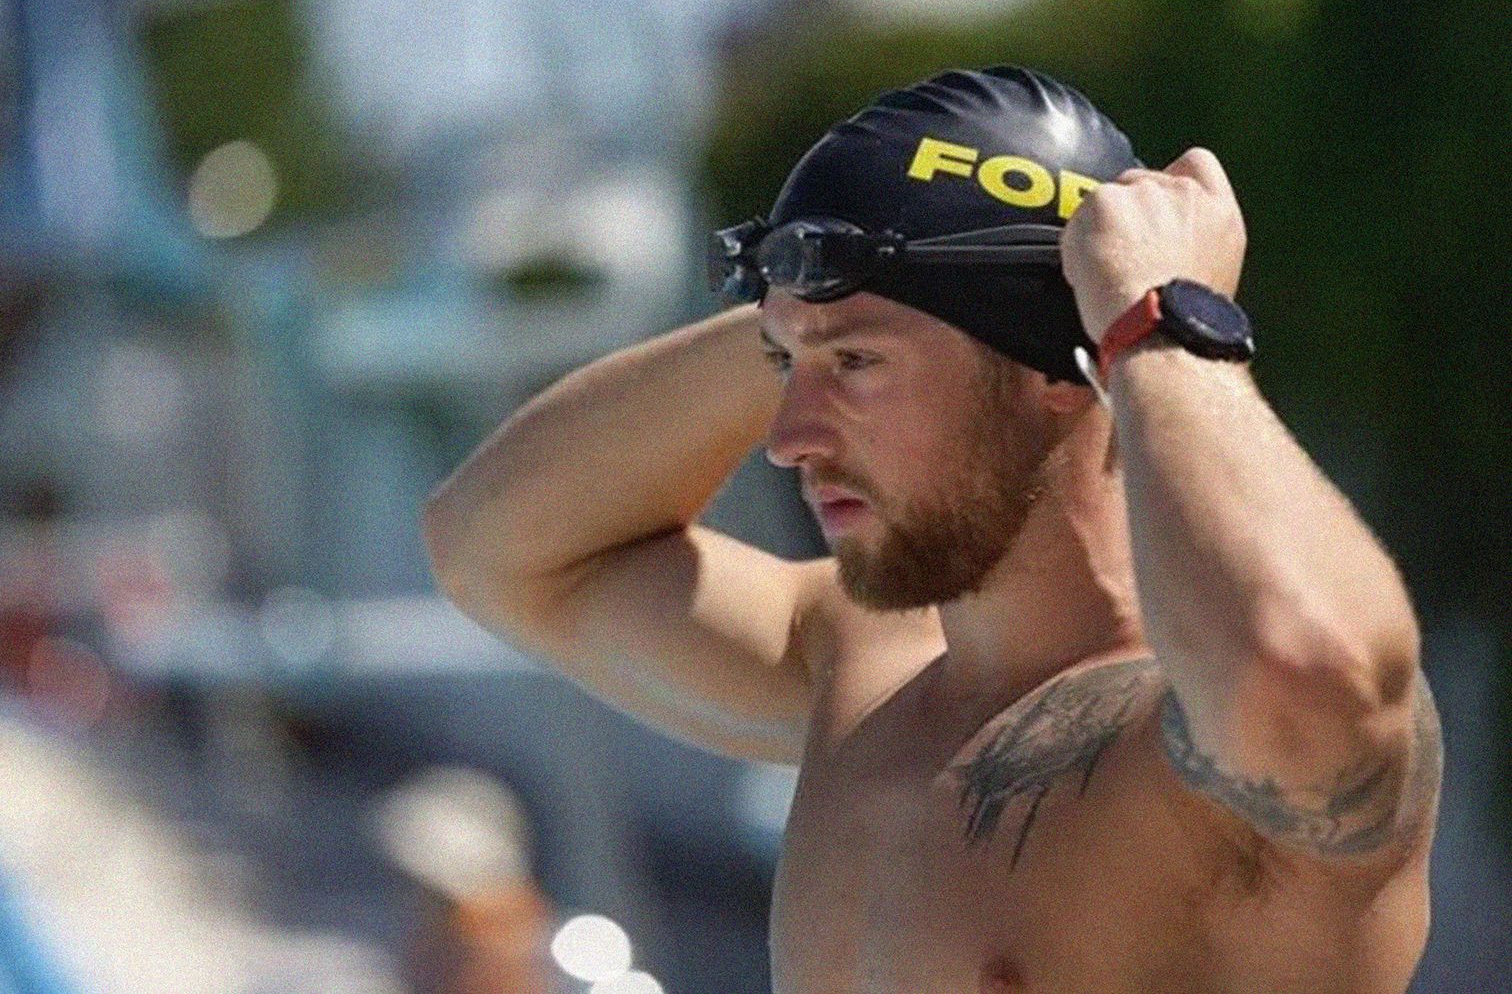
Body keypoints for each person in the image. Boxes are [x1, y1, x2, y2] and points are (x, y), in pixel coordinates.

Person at [422, 67, 1443, 993]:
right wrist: (812, 309)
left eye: (858, 367)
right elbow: (497, 546)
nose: (787, 441)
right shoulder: (863, 667)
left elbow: (1307, 666)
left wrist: (1156, 316)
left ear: (1057, 364)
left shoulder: (1194, 746)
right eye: (789, 371)